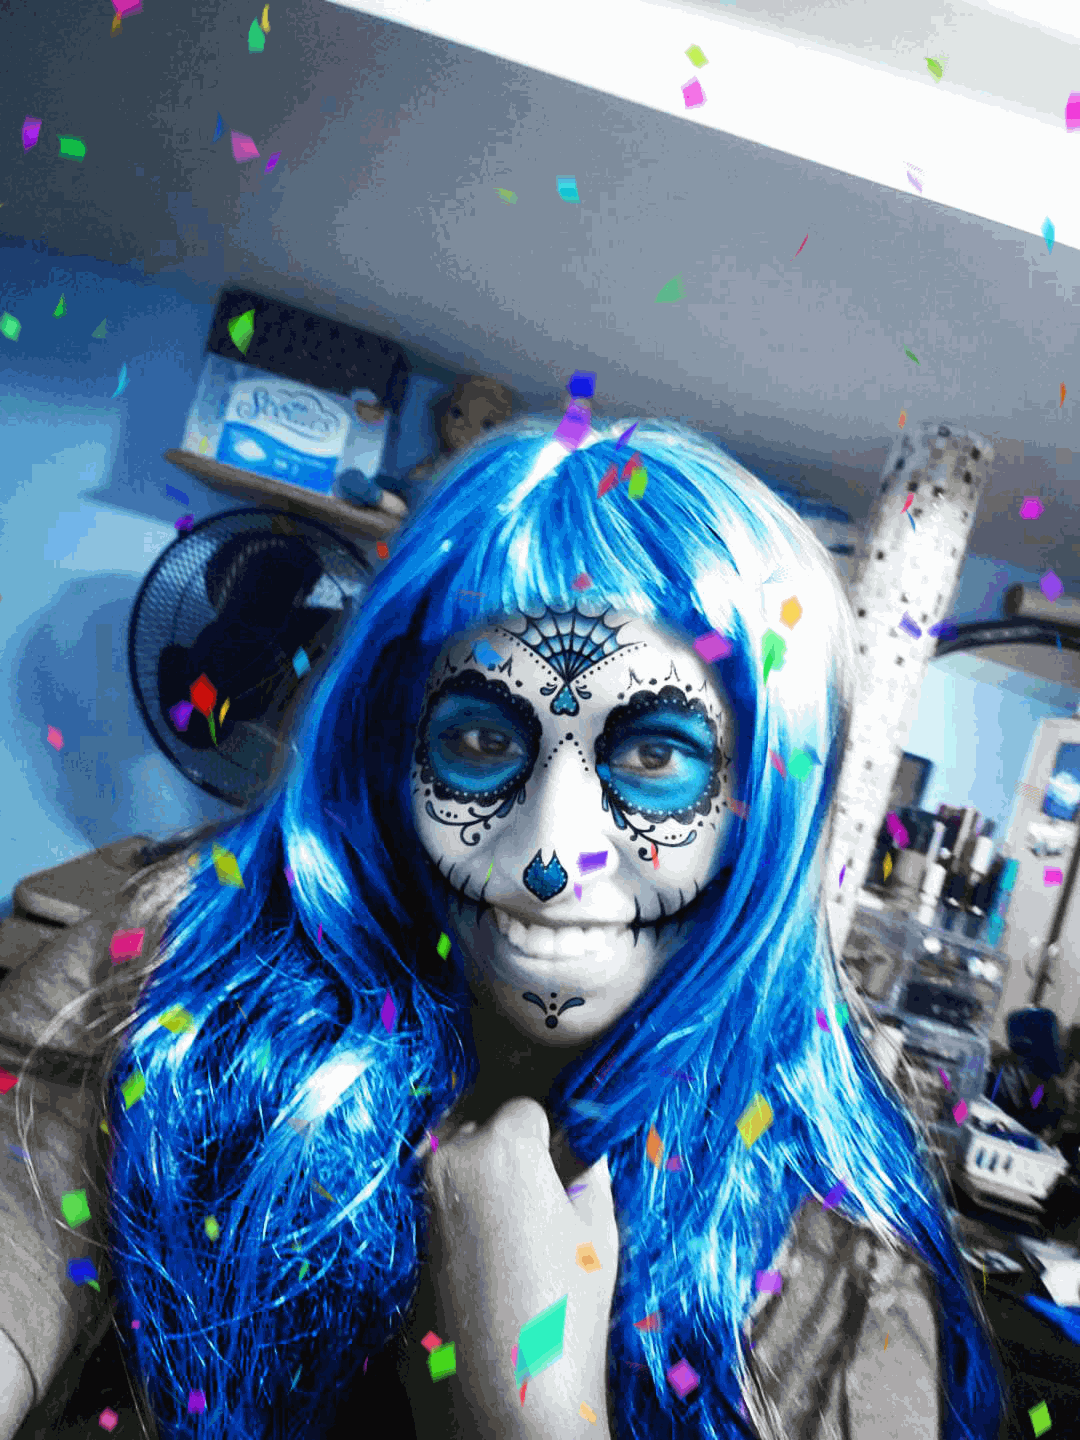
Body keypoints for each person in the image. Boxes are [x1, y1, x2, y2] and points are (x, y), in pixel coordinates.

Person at [0, 416, 1007, 1440]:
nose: (549, 858)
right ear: (393, 751)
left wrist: (534, 1416)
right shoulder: (179, 977)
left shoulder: (843, 1263)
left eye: (654, 758)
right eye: (483, 739)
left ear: (763, 807)